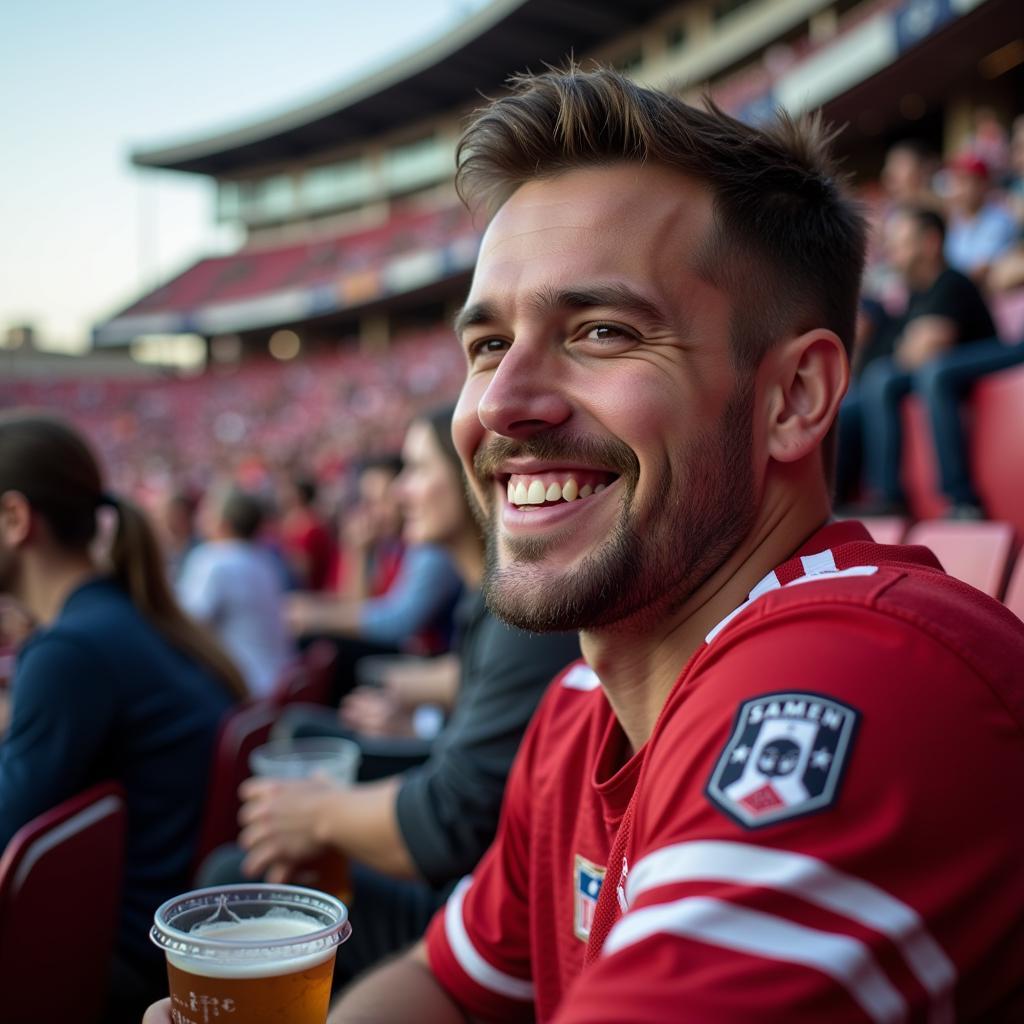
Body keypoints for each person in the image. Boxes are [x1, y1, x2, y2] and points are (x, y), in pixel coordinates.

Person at [147, 66, 1024, 1024]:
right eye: (486, 345)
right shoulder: (578, 706)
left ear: (795, 399)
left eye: (601, 331)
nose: (501, 405)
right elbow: (448, 986)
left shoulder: (868, 678)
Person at [233, 405, 580, 984]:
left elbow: (453, 822)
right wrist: (423, 730)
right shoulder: (494, 598)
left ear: (476, 473)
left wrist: (315, 815)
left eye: (416, 470)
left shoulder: (525, 608)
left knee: (241, 873)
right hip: (476, 886)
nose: (399, 490)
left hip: (475, 912)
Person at [0, 412, 245, 1020]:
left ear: (14, 520)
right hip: (166, 932)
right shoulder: (124, 622)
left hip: (119, 964)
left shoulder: (69, 652)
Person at [838, 205, 1021, 516]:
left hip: (999, 358)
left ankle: (962, 500)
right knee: (873, 385)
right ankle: (883, 497)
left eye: (902, 242)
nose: (892, 252)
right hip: (948, 369)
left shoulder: (951, 282)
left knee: (934, 372)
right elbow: (893, 356)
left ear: (930, 242)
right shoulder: (915, 295)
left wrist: (910, 347)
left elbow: (926, 350)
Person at [178, 484, 293, 697]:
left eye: (207, 510)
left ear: (223, 523)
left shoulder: (212, 560)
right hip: (278, 682)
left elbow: (184, 629)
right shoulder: (266, 559)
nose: (200, 516)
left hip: (246, 690)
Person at [943, 152, 1017, 284]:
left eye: (965, 181)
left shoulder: (1000, 220)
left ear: (983, 185)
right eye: (956, 181)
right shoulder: (953, 219)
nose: (958, 189)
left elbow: (981, 270)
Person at [277, 474, 336, 591]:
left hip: (311, 596)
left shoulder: (313, 528)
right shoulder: (290, 522)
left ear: (300, 496)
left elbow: (305, 569)